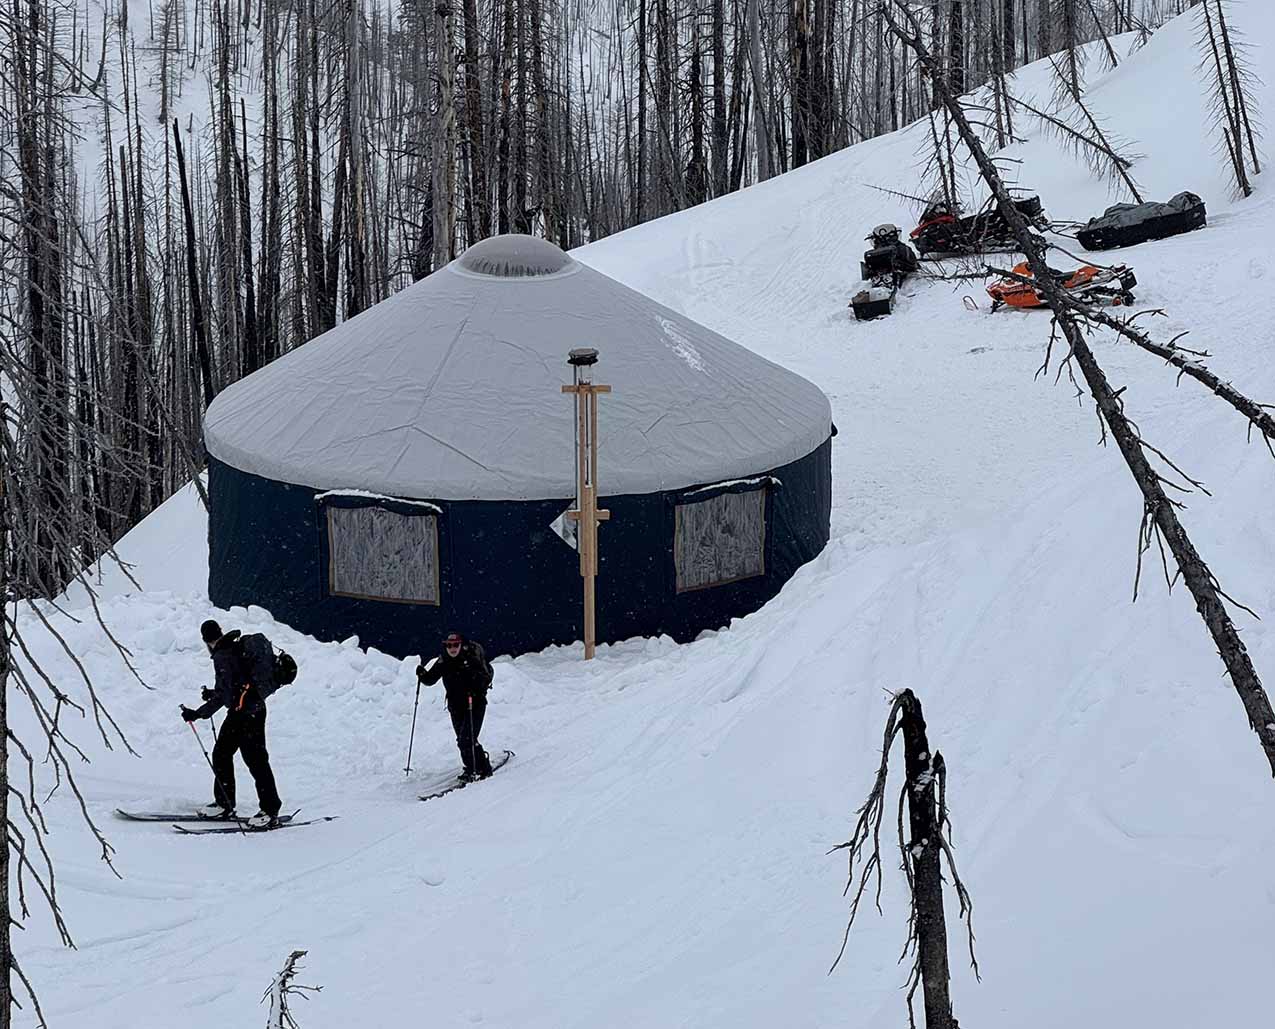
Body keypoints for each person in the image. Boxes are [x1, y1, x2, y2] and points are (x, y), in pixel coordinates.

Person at [181, 619, 283, 829]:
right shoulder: (233, 647)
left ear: (205, 640)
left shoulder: (222, 655)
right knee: (228, 754)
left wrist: (198, 713)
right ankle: (226, 803)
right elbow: (233, 686)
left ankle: (268, 810)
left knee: (252, 759)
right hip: (250, 709)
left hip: (245, 714)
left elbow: (226, 693)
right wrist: (214, 694)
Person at [417, 632, 494, 782]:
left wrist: (474, 682)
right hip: (455, 706)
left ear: (461, 645)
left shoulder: (469, 659)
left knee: (467, 739)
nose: (452, 648)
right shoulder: (443, 661)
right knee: (462, 740)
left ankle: (479, 768)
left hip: (475, 704)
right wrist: (422, 674)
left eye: (455, 645)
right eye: (449, 645)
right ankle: (474, 766)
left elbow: (484, 678)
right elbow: (431, 679)